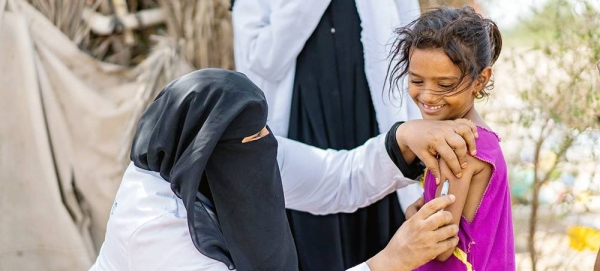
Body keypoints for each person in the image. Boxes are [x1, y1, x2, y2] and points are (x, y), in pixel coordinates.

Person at [90, 68, 478, 271]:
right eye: (251, 135)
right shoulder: (156, 227)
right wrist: (390, 261)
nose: (264, 142)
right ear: (203, 148)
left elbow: (334, 178)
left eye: (263, 128)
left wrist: (406, 139)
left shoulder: (234, 154)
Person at [231, 1, 424, 269]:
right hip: (304, 120)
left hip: (372, 113)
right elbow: (261, 61)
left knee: (385, 231)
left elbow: (411, 37)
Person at [389, 6, 515, 270]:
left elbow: (440, 246)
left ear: (481, 80)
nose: (428, 96)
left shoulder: (459, 145)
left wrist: (412, 220)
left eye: (445, 85)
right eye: (417, 81)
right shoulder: (485, 139)